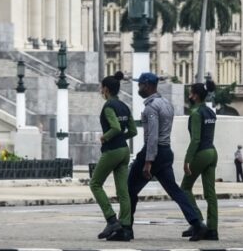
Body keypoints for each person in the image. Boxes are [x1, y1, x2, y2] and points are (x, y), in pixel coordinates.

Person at [127, 72, 207, 241]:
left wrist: (148, 162)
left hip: (153, 152)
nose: (138, 88)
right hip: (165, 152)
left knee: (129, 189)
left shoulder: (151, 108)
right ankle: (197, 223)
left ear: (148, 86)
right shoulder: (166, 104)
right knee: (175, 191)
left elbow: (153, 136)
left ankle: (126, 227)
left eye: (140, 85)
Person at [89, 72, 137, 241]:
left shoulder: (109, 106)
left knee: (95, 184)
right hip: (124, 151)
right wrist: (121, 139)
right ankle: (125, 227)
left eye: (102, 88)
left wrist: (105, 137)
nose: (101, 91)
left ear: (106, 90)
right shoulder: (124, 106)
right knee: (123, 192)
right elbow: (133, 131)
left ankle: (111, 220)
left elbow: (115, 127)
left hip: (112, 151)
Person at [180, 81, 219, 241]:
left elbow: (196, 139)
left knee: (184, 188)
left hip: (201, 153)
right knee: (210, 193)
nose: (189, 96)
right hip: (212, 152)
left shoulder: (196, 113)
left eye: (190, 93)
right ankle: (212, 229)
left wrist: (187, 160)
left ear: (195, 95)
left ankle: (198, 222)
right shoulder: (211, 112)